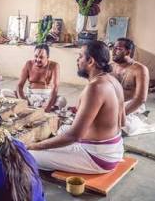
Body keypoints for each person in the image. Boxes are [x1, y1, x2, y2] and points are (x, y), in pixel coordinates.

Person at [27, 41, 125, 174]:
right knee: (62, 130)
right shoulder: (113, 80)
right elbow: (122, 122)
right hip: (115, 149)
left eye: (80, 56)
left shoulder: (95, 88)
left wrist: (33, 146)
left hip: (98, 157)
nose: (77, 60)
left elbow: (73, 136)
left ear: (90, 61)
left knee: (27, 155)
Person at [111, 38, 155, 136]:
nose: (113, 51)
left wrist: (121, 114)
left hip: (131, 107)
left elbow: (140, 99)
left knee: (124, 127)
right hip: (114, 104)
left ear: (128, 51)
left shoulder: (140, 70)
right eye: (113, 48)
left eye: (118, 49)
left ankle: (138, 118)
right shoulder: (111, 66)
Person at [15, 44, 66, 112]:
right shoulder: (29, 64)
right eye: (36, 56)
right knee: (4, 92)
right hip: (30, 97)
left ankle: (44, 108)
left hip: (46, 97)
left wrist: (48, 105)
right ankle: (35, 107)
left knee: (62, 100)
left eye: (41, 57)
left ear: (47, 57)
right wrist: (24, 101)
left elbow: (55, 88)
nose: (38, 59)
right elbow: (19, 85)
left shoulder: (54, 66)